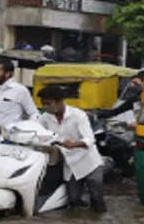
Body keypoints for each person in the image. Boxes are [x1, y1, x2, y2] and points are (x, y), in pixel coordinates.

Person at [37, 85, 107, 213]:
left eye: (48, 103)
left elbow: (90, 139)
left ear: (59, 102)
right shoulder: (45, 117)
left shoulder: (78, 115)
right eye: (43, 104)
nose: (45, 107)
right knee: (73, 200)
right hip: (70, 163)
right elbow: (36, 131)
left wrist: (73, 145)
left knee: (97, 198)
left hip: (89, 161)